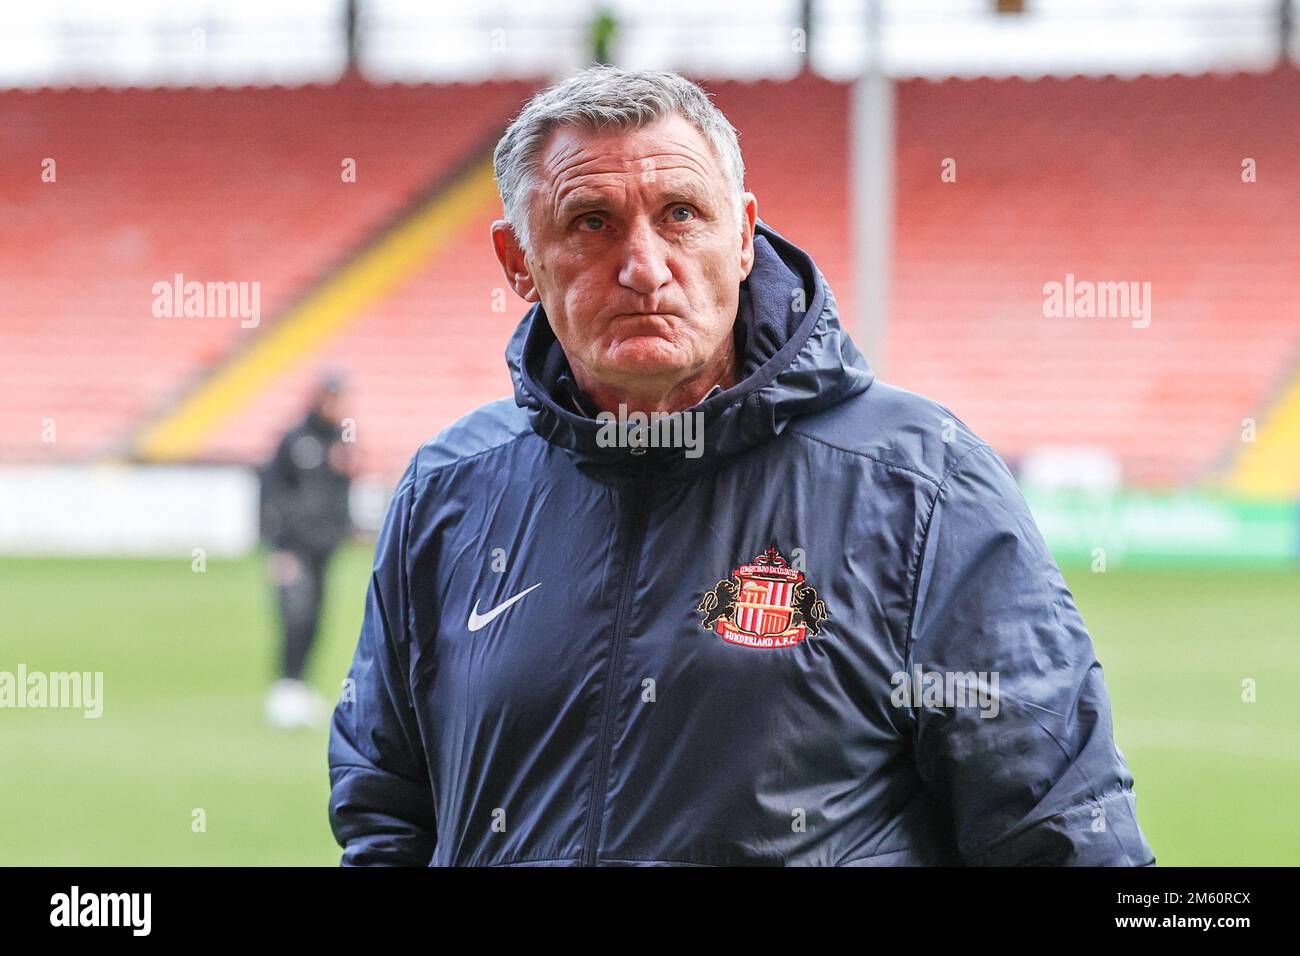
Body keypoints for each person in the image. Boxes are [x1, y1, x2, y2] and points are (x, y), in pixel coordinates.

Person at [328, 66, 1156, 866]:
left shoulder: (920, 485)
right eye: (591, 222)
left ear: (745, 236)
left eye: (682, 214)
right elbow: (385, 816)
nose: (646, 266)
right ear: (518, 262)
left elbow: (1060, 832)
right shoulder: (449, 490)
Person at [260, 373, 353, 729]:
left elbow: (341, 489)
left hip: (323, 548)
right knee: (294, 615)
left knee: (316, 616)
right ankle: (284, 689)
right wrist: (278, 547)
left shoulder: (340, 441)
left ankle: (300, 687)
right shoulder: (294, 440)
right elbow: (272, 493)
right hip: (293, 549)